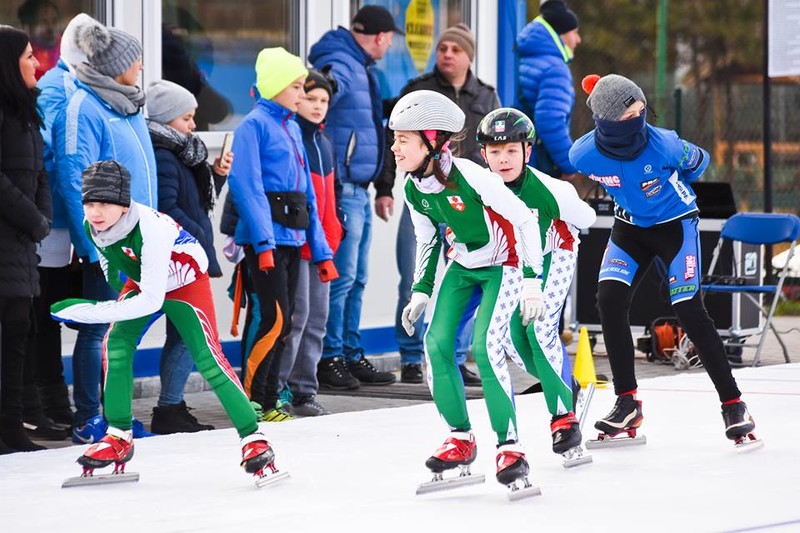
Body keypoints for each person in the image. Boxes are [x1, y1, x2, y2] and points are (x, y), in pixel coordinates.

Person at [50, 161, 277, 479]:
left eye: (103, 203)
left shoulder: (152, 228)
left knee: (207, 356)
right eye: (89, 203)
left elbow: (152, 300)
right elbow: (114, 270)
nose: (95, 212)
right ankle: (118, 436)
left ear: (124, 203)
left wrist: (90, 311)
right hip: (144, 281)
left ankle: (254, 438)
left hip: (185, 281)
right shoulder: (93, 227)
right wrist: (116, 299)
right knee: (114, 344)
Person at [569, 73, 758, 445]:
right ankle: (627, 402)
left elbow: (698, 163)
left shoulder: (664, 145)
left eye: (643, 111)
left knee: (688, 307)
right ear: (607, 122)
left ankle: (734, 404)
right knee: (608, 300)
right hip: (629, 229)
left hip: (676, 225)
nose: (641, 120)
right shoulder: (583, 154)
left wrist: (673, 182)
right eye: (632, 114)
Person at [388, 90, 545, 488]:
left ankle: (510, 445)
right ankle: (460, 438)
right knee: (436, 344)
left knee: (485, 346)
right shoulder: (412, 187)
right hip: (464, 267)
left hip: (502, 265)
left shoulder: (473, 177)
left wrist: (531, 280)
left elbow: (525, 221)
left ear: (432, 141)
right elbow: (428, 240)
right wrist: (421, 290)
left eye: (403, 139)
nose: (395, 147)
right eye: (395, 139)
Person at [52, 21, 157, 443]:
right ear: (116, 66)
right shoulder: (85, 107)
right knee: (101, 329)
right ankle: (89, 418)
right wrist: (93, 242)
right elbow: (72, 175)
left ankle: (117, 418)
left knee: (124, 330)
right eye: (136, 61)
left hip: (138, 240)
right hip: (109, 242)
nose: (142, 67)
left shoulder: (127, 104)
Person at [376, 23, 499, 386]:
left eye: (455, 49)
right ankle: (412, 357)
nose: (446, 54)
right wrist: (386, 187)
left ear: (469, 57)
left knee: (468, 278)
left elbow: (494, 147)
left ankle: (456, 358)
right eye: (442, 48)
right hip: (425, 197)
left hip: (468, 204)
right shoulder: (417, 91)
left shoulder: (486, 95)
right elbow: (392, 144)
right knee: (414, 274)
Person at [476, 107, 596, 457]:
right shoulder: (480, 188)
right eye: (495, 152)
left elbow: (586, 218)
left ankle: (563, 420)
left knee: (538, 327)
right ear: (483, 155)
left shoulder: (549, 189)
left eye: (512, 150)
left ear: (528, 151)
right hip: (516, 262)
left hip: (554, 253)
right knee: (513, 339)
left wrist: (567, 209)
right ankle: (564, 384)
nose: (503, 159)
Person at [227, 47, 337, 422]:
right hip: (267, 242)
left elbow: (307, 194)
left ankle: (271, 398)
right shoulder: (253, 127)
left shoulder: (290, 126)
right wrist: (262, 242)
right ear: (274, 87)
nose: (302, 95)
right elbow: (247, 186)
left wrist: (321, 252)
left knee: (287, 321)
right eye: (296, 87)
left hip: (292, 238)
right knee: (271, 318)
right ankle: (252, 398)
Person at [309, 5, 402, 389]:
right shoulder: (342, 61)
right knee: (343, 277)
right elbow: (329, 84)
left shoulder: (357, 62)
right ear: (381, 37)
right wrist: (321, 91)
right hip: (342, 187)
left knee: (358, 277)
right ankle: (329, 358)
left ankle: (348, 350)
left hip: (358, 187)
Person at [145, 79, 230, 433]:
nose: (194, 126)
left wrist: (217, 176)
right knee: (185, 334)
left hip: (183, 254)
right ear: (166, 120)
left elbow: (195, 201)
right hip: (177, 258)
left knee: (180, 335)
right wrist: (196, 238)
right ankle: (168, 407)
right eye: (186, 118)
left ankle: (172, 405)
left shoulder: (182, 153)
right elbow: (167, 207)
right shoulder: (165, 156)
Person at [30, 12, 98, 438]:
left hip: (65, 222)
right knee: (43, 315)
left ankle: (54, 398)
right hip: (53, 223)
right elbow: (57, 160)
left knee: (50, 313)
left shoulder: (75, 86)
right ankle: (46, 399)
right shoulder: (58, 88)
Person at [276, 70, 343, 417]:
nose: (318, 106)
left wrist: (338, 227)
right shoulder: (291, 138)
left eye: (324, 101)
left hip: (323, 246)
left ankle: (305, 390)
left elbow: (334, 193)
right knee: (295, 319)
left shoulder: (325, 143)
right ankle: (280, 388)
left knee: (318, 319)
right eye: (312, 98)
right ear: (297, 99)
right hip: (297, 242)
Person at [0, 25, 52, 453]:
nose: (38, 63)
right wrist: (33, 217)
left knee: (20, 330)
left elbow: (41, 174)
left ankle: (11, 429)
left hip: (21, 243)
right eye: (29, 56)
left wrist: (42, 217)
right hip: (10, 235)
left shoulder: (25, 112)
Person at [516, 0, 581, 183]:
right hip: (539, 165)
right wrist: (569, 164)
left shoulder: (525, 57)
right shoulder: (555, 69)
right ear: (561, 34)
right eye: (575, 33)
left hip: (519, 157)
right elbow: (550, 122)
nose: (577, 40)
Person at [17, 0, 60, 79]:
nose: (50, 28)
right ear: (27, 27)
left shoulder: (66, 54)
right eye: (43, 22)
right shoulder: (17, 62)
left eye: (54, 21)